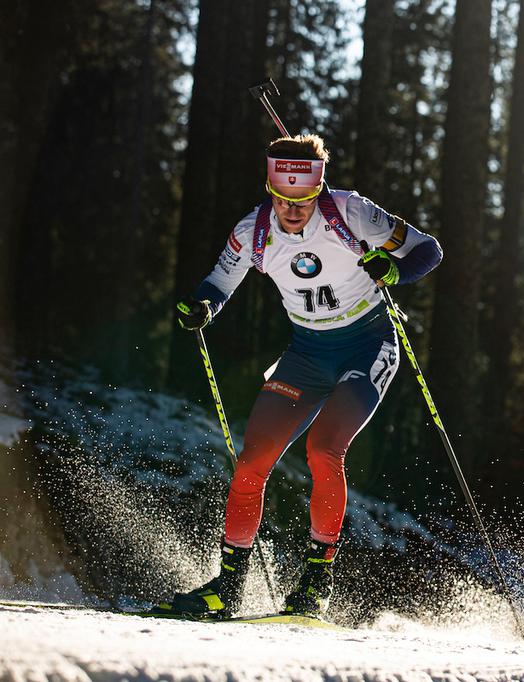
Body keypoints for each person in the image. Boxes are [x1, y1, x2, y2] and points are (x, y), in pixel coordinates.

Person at [164, 134, 442, 617]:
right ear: (270, 190)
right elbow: (219, 282)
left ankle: (316, 581)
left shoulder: (350, 213)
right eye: (283, 200)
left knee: (322, 449)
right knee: (253, 460)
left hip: (368, 343)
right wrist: (204, 306)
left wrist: (393, 272)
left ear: (319, 190)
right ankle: (229, 587)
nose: (293, 211)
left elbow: (427, 251)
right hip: (307, 353)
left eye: (304, 200)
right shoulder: (253, 232)